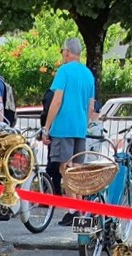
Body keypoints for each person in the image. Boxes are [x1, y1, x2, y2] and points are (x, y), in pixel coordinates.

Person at [40, 38, 96, 226]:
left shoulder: (64, 71)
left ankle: (73, 210)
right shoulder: (88, 74)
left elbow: (56, 101)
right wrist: (85, 123)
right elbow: (90, 106)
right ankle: (81, 208)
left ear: (67, 52)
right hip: (80, 128)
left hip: (63, 126)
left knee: (65, 169)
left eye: (62, 50)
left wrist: (46, 127)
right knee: (77, 170)